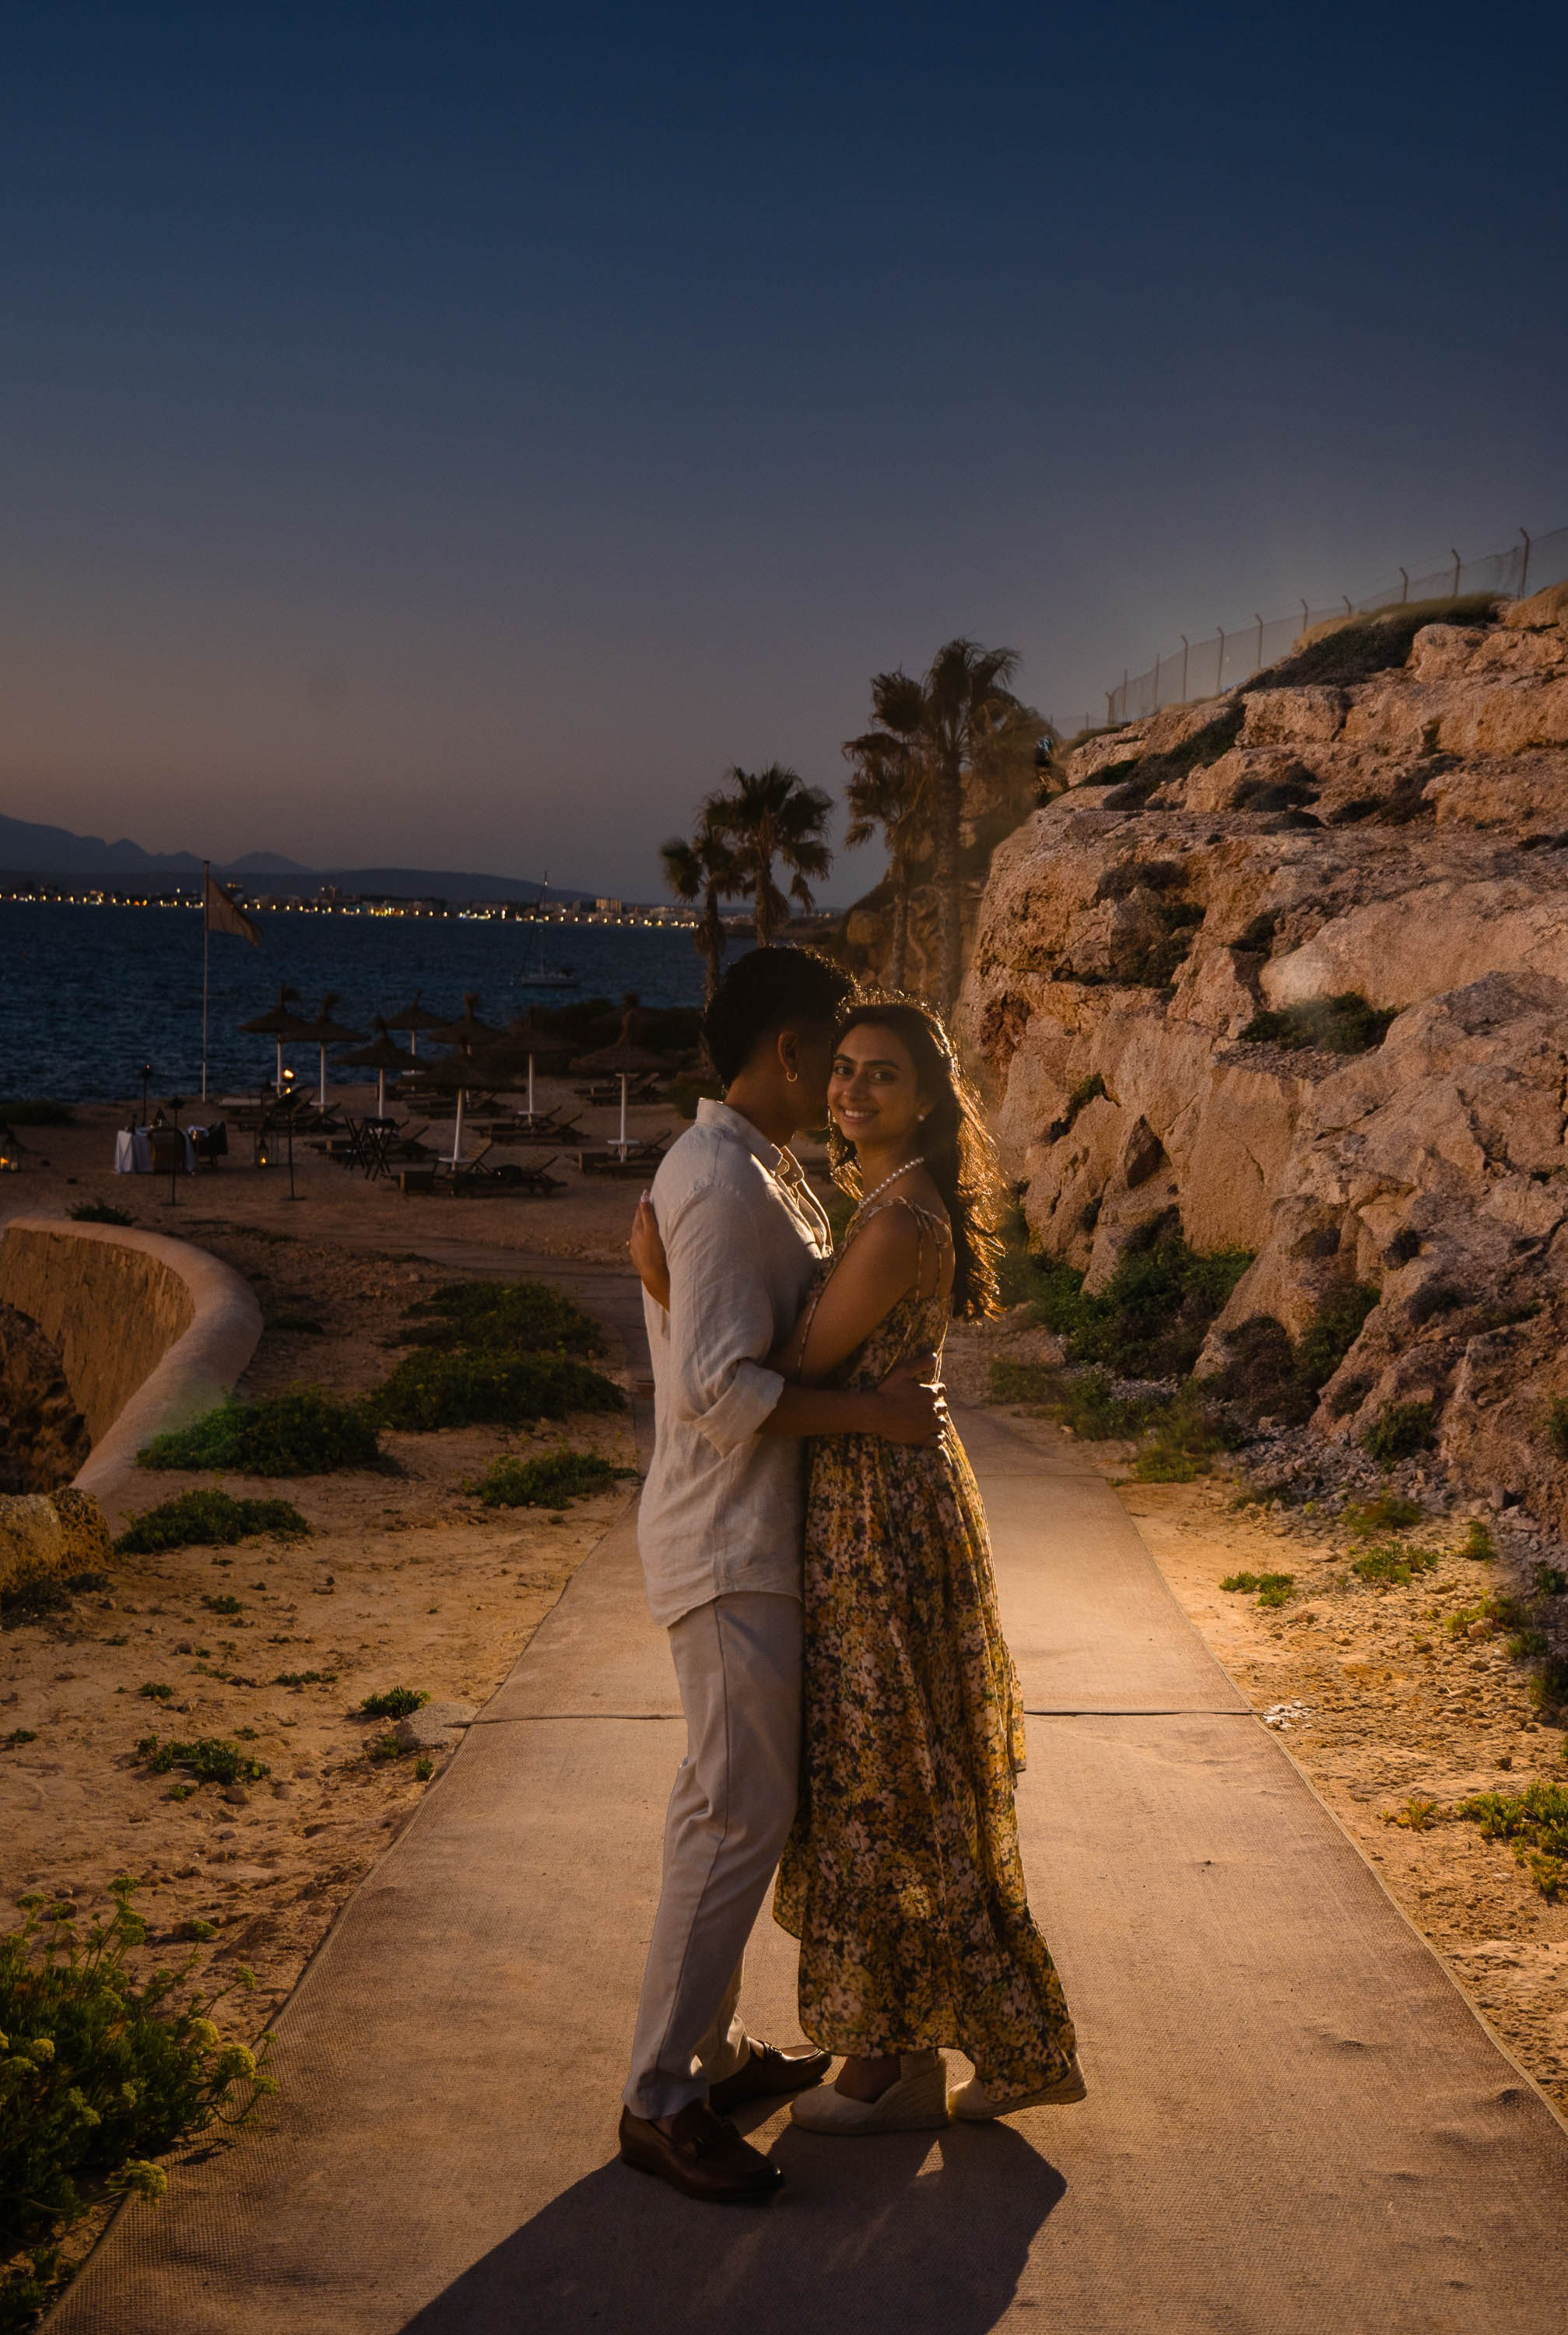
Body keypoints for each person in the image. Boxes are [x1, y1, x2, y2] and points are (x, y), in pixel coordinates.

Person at [634, 995, 1082, 2139]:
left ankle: (982, 2042)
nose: (852, 1091)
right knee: (885, 1779)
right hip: (862, 1513)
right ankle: (894, 2038)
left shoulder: (892, 1225)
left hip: (879, 1522)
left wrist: (666, 1282)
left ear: (928, 1099)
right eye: (841, 1070)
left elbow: (777, 1363)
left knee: (899, 1783)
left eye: (881, 1076)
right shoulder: (872, 1205)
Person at [618, 948, 947, 2207]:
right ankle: (660, 2099)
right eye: (831, 1050)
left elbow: (717, 1333)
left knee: (729, 1803)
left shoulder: (762, 1173)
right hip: (723, 1541)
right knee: (735, 1811)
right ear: (792, 1050)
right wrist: (867, 1416)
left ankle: (707, 2054)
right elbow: (715, 1391)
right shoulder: (718, 1178)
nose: (841, 1077)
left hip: (759, 1540)